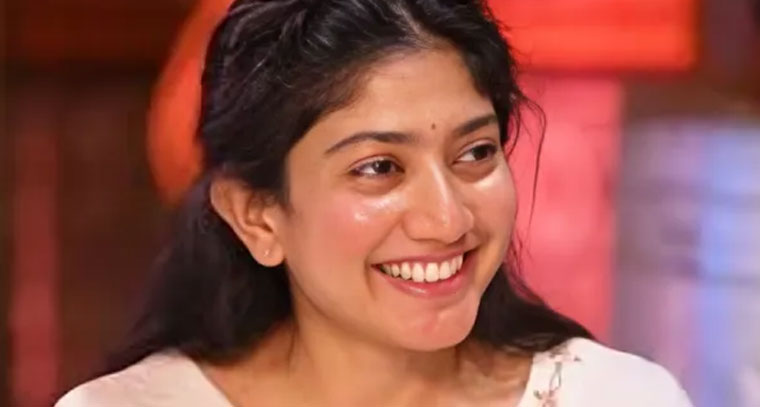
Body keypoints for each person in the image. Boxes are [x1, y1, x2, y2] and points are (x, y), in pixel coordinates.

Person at [56, 0, 693, 406]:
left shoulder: (617, 397)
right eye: (379, 168)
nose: (447, 219)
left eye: (475, 153)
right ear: (256, 215)